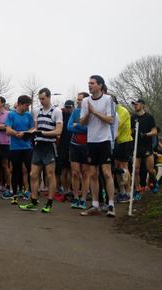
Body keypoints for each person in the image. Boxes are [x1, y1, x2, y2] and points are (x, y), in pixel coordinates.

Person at [19, 88, 63, 213]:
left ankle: (49, 203)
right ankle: (33, 201)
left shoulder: (57, 111)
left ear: (49, 97)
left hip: (49, 146)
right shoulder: (36, 110)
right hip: (38, 146)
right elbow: (35, 128)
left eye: (43, 99)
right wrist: (27, 133)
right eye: (40, 99)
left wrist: (42, 133)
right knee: (33, 174)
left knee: (50, 175)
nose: (41, 101)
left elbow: (59, 131)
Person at [79, 75, 116, 217]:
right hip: (91, 141)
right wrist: (89, 113)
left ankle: (111, 204)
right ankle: (95, 205)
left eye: (92, 83)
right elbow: (82, 122)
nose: (89, 85)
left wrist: (95, 112)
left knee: (107, 173)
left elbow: (110, 119)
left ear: (100, 85)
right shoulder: (86, 101)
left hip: (104, 140)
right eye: (88, 83)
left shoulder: (108, 99)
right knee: (93, 174)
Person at [5, 95, 34, 205]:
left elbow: (32, 128)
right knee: (16, 171)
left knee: (31, 171)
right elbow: (8, 130)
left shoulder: (29, 115)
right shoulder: (11, 114)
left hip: (27, 147)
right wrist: (18, 133)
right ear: (21, 104)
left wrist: (27, 133)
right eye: (27, 105)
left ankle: (32, 194)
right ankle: (15, 195)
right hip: (15, 147)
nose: (28, 107)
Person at [131, 98, 159, 200]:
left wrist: (146, 134)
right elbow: (130, 131)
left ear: (143, 105)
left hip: (146, 146)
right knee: (136, 170)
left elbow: (155, 131)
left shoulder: (149, 117)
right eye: (134, 104)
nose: (135, 106)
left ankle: (154, 183)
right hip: (136, 147)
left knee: (150, 170)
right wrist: (132, 132)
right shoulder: (133, 117)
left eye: (137, 104)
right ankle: (137, 190)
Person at [113, 96, 134, 203]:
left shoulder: (122, 111)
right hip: (116, 142)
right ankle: (122, 192)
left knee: (124, 167)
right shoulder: (111, 110)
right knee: (116, 167)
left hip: (125, 141)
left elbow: (116, 125)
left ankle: (128, 192)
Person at [56, 99, 74, 200]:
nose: (67, 109)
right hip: (62, 146)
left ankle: (70, 190)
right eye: (66, 107)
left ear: (73, 107)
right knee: (63, 170)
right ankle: (65, 189)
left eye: (69, 107)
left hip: (72, 145)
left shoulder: (75, 115)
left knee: (71, 170)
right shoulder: (61, 115)